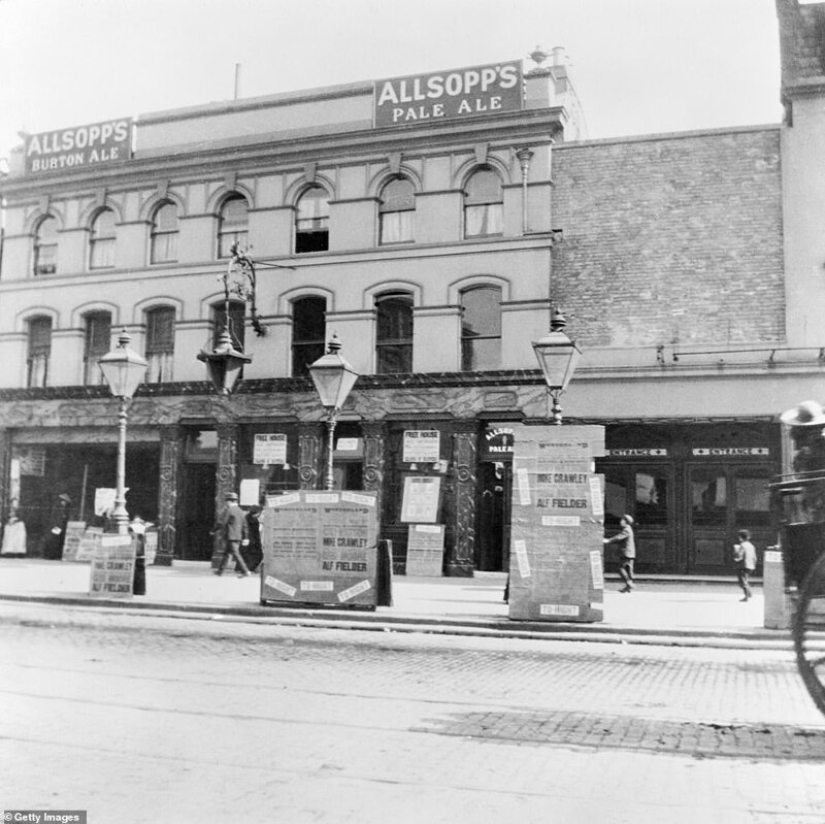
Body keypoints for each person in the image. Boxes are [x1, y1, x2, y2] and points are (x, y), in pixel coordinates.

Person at [213, 492, 251, 577]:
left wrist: (214, 530)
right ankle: (220, 571)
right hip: (238, 536)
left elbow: (222, 522)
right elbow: (245, 525)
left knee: (236, 553)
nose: (226, 503)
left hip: (231, 536)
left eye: (227, 501)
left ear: (229, 501)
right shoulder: (240, 511)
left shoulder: (229, 510)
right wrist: (246, 537)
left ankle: (245, 571)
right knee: (227, 554)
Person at [604, 514, 636, 593]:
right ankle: (628, 587)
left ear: (625, 522)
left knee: (620, 568)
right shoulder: (629, 529)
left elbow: (618, 537)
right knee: (628, 570)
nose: (620, 522)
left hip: (626, 552)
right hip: (630, 553)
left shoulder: (626, 530)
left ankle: (629, 584)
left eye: (622, 520)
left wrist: (608, 540)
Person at [42, 493, 72, 560]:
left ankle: (53, 555)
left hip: (58, 526)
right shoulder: (59, 508)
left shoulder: (62, 508)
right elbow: (57, 517)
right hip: (57, 526)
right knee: (54, 540)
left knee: (56, 540)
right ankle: (51, 555)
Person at [733, 529, 757, 601]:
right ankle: (749, 593)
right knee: (745, 579)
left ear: (740, 537)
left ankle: (746, 596)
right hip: (750, 565)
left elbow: (739, 556)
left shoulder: (742, 545)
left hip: (743, 565)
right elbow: (754, 557)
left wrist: (736, 551)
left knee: (742, 581)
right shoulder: (751, 546)